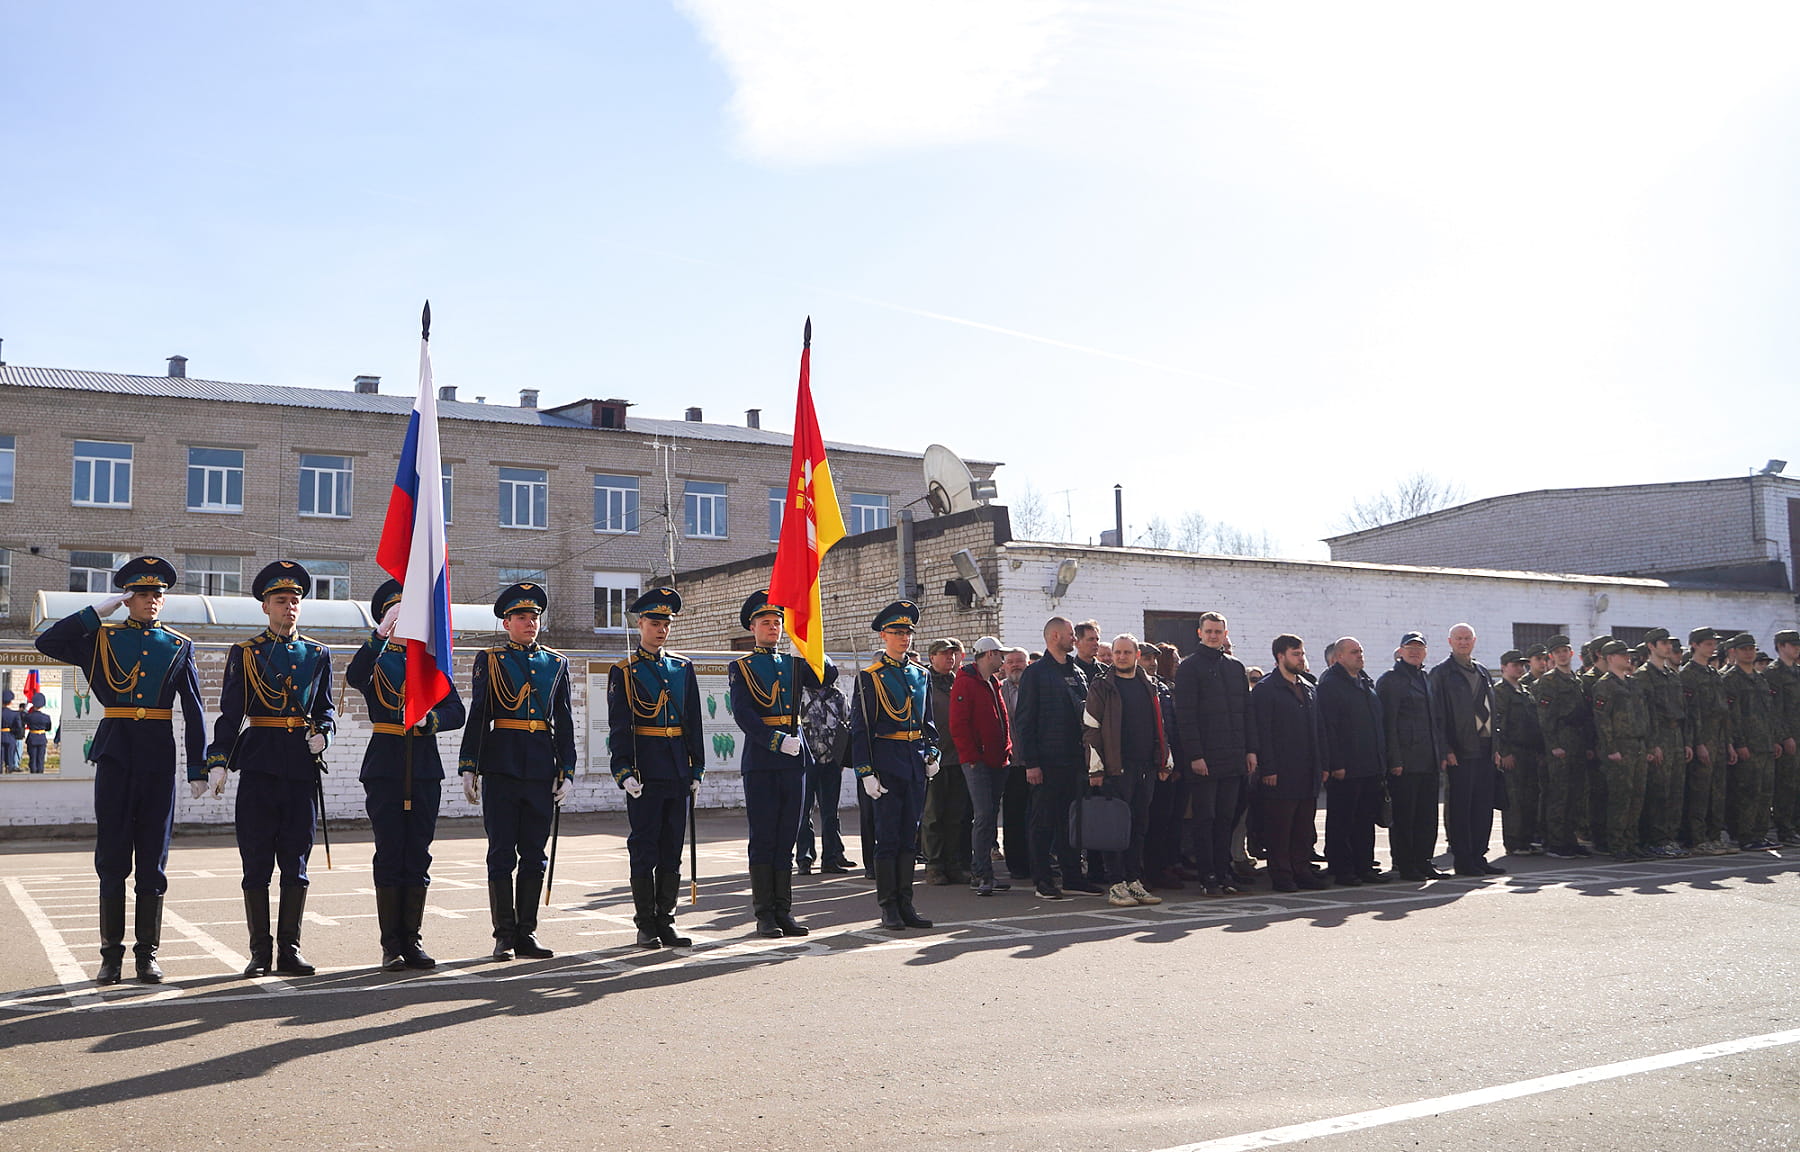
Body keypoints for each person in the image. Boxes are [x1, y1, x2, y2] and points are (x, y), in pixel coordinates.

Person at [34, 556, 208, 985]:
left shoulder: (179, 645)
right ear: (128, 598)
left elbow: (195, 710)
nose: (152, 601)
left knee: (154, 860)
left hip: (157, 758)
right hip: (115, 754)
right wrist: (96, 613)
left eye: (157, 594)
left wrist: (199, 767)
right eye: (143, 594)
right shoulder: (101, 639)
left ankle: (147, 955)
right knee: (112, 859)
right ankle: (110, 955)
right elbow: (47, 644)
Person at [207, 561, 336, 978]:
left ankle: (290, 951)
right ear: (265, 606)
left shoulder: (318, 654)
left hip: (301, 768)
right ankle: (260, 952)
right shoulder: (246, 654)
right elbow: (231, 714)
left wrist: (325, 735)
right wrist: (219, 761)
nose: (290, 608)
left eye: (295, 601)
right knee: (257, 864)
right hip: (260, 765)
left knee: (296, 865)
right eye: (281, 601)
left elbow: (326, 710)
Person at [345, 579, 466, 971]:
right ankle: (391, 944)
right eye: (395, 613)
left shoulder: (429, 662)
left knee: (418, 854)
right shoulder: (377, 659)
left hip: (425, 766)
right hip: (385, 765)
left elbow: (456, 711)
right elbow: (355, 676)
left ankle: (412, 940)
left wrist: (430, 720)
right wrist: (379, 636)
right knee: (390, 852)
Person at [461, 581, 578, 960]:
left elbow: (564, 719)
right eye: (522, 617)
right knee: (501, 853)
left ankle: (527, 932)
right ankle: (503, 934)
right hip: (502, 765)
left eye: (535, 617)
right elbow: (479, 714)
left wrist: (567, 769)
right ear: (507, 622)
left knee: (534, 853)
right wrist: (470, 765)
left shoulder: (556, 663)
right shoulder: (491, 660)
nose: (530, 623)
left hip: (541, 766)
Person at [603, 586, 703, 948]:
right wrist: (623, 771)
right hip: (645, 771)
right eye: (655, 622)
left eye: (666, 623)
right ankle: (646, 923)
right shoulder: (624, 671)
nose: (661, 630)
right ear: (640, 623)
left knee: (672, 850)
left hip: (677, 768)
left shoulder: (682, 667)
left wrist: (697, 769)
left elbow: (693, 721)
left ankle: (667, 918)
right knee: (644, 849)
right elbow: (619, 726)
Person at [728, 589, 819, 938]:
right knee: (764, 838)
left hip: (795, 760)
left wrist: (812, 641)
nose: (773, 628)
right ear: (752, 627)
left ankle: (784, 911)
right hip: (763, 760)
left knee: (787, 839)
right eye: (766, 622)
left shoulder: (794, 665)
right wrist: (777, 740)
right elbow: (744, 715)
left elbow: (826, 677)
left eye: (777, 622)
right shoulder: (743, 667)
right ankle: (764, 913)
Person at [849, 600, 938, 930]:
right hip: (886, 763)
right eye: (897, 632)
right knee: (887, 838)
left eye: (908, 632)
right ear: (884, 635)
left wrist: (933, 754)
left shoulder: (921, 675)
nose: (904, 638)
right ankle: (888, 905)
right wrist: (865, 771)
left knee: (908, 838)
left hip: (914, 763)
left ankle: (906, 903)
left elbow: (928, 723)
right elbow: (861, 728)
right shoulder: (871, 677)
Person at [1080, 634, 1168, 906]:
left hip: (1145, 769)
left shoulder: (1148, 684)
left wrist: (1164, 761)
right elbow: (1090, 729)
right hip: (1115, 770)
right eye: (1117, 652)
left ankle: (1133, 880)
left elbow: (1160, 725)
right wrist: (1096, 769)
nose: (1120, 656)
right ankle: (1116, 884)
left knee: (1138, 827)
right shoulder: (1102, 686)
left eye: (1126, 652)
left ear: (1136, 655)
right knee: (1115, 828)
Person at [1014, 616, 1097, 899]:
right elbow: (1024, 721)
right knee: (1043, 822)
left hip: (1075, 760)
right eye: (1071, 634)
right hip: (1047, 762)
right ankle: (1043, 880)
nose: (1074, 639)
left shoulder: (1078, 672)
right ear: (1054, 637)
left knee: (1071, 821)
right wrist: (1032, 763)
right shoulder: (1035, 673)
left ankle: (1073, 877)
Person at [1175, 611, 1254, 896]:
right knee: (1205, 819)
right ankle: (1207, 875)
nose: (1213, 636)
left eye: (1218, 631)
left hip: (1233, 759)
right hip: (1205, 761)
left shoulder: (1235, 668)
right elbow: (1185, 716)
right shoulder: (1189, 668)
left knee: (1226, 819)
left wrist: (1251, 750)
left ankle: (1224, 872)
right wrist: (1195, 755)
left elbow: (1246, 713)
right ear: (1200, 633)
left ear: (1225, 634)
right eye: (1208, 631)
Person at [1249, 635, 1328, 892]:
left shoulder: (1308, 687)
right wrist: (1268, 768)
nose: (1301, 658)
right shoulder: (1266, 689)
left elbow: (1319, 729)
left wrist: (1322, 763)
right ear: (1280, 657)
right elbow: (1262, 732)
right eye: (1296, 654)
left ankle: (1301, 870)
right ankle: (1282, 875)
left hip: (1308, 770)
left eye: (1302, 653)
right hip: (1281, 772)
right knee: (1280, 828)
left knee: (1304, 827)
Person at [1427, 623, 1504, 876]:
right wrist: (1446, 748)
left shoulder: (1482, 671)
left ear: (1474, 640)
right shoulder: (1441, 673)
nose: (1463, 642)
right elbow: (1436, 716)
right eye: (1459, 638)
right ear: (1450, 641)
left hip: (1485, 749)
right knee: (1461, 807)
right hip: (1460, 751)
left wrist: (1496, 747)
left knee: (1483, 806)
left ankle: (1478, 856)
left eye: (1467, 638)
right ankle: (1463, 859)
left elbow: (1492, 711)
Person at [1316, 636, 1389, 884]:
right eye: (1354, 651)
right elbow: (1329, 728)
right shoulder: (1330, 685)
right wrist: (1335, 763)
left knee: (1365, 820)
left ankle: (1364, 866)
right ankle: (1342, 869)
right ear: (1339, 657)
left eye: (1361, 650)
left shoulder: (1365, 682)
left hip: (1369, 765)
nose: (1360, 655)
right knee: (1342, 821)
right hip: (1345, 768)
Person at [1377, 632, 1447, 880]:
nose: (1415, 651)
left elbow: (1435, 721)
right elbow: (1388, 724)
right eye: (1410, 647)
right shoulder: (1391, 680)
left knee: (1426, 817)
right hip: (1404, 762)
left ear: (1426, 652)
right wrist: (1394, 760)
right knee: (1405, 817)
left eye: (1419, 647)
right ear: (1400, 651)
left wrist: (1440, 753)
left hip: (1427, 760)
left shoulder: (1426, 679)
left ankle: (1423, 861)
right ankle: (1405, 864)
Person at [949, 635, 1012, 896]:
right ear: (988, 655)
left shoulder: (992, 682)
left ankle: (984, 871)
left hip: (997, 760)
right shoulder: (966, 684)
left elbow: (1001, 719)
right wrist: (972, 757)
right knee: (984, 815)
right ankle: (981, 873)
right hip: (979, 762)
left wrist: (1006, 749)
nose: (1003, 659)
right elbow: (959, 726)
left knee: (988, 816)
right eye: (999, 654)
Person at [1590, 639, 1653, 861]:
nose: (1628, 658)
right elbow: (1602, 721)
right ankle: (1617, 844)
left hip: (1637, 744)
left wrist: (1648, 744)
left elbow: (1645, 715)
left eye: (1628, 654)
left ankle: (1632, 842)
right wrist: (1611, 748)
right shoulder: (1604, 685)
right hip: (1620, 746)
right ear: (1609, 658)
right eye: (1622, 654)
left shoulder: (1634, 683)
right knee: (1620, 797)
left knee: (1637, 796)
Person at [1532, 636, 1595, 858]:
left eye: (1565, 650)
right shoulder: (1549, 681)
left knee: (1576, 795)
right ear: (1552, 656)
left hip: (1576, 741)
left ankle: (1570, 838)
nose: (1561, 654)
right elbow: (1545, 717)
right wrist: (1554, 745)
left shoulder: (1575, 679)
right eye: (1556, 651)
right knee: (1559, 794)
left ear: (1570, 653)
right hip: (1561, 741)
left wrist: (1586, 744)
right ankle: (1556, 842)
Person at [1631, 628, 1689, 858]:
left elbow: (1683, 711)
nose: (1668, 647)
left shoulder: (1673, 675)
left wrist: (1686, 741)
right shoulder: (1642, 676)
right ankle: (1655, 839)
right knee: (1659, 791)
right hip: (1658, 737)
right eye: (1663, 643)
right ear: (1651, 646)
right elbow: (1642, 713)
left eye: (1669, 643)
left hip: (1675, 736)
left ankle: (1669, 838)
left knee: (1676, 790)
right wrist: (1651, 743)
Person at [1722, 632, 1782, 851]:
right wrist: (1739, 743)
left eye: (1752, 649)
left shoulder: (1760, 679)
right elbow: (1731, 716)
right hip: (1748, 744)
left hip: (1765, 744)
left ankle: (1759, 833)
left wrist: (1774, 739)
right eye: (1744, 649)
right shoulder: (1731, 679)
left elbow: (1769, 713)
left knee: (1765, 792)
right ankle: (1745, 835)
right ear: (1735, 652)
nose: (1749, 653)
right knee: (1748, 791)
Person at [1679, 627, 1736, 855]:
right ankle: (1697, 838)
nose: (1713, 647)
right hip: (1702, 739)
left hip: (1719, 740)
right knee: (1699, 792)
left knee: (1718, 791)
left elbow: (1724, 713)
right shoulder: (1687, 674)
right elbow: (1690, 714)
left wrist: (1729, 743)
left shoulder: (1714, 674)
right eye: (1708, 644)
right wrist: (1698, 743)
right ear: (1695, 645)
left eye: (1714, 644)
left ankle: (1714, 836)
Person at [921, 638, 972, 886]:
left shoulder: (959, 682)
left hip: (958, 756)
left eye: (953, 654)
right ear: (932, 657)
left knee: (955, 814)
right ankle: (934, 865)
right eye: (943, 654)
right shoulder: (923, 682)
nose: (949, 658)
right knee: (933, 815)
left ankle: (953, 864)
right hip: (934, 757)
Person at [796, 660, 855, 875]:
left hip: (831, 762)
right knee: (804, 812)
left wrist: (842, 757)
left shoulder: (838, 696)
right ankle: (804, 857)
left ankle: (831, 858)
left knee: (830, 812)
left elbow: (847, 723)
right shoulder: (798, 695)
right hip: (805, 761)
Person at [1143, 643, 1189, 890]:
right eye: (1147, 658)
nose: (1152, 663)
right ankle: (1148, 870)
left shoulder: (1162, 687)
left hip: (1168, 764)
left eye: (1154, 658)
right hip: (1147, 767)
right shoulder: (1131, 687)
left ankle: (1164, 866)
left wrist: (1174, 762)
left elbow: (1171, 727)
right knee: (1149, 823)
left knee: (1165, 820)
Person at [1492, 649, 1544, 857]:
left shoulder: (1525, 690)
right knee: (1514, 799)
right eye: (1514, 665)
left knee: (1530, 796)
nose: (1519, 668)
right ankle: (1514, 841)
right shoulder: (1499, 691)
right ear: (1504, 667)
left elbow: (1533, 723)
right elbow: (1497, 724)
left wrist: (1539, 750)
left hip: (1529, 751)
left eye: (1521, 665)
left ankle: (1527, 838)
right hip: (1512, 751)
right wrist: (1503, 753)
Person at [999, 647, 1034, 881]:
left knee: (1036, 815)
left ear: (1027, 663)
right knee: (1013, 815)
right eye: (1010, 662)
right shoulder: (999, 689)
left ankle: (1037, 860)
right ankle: (1016, 864)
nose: (1015, 666)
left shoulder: (1036, 687)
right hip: (1010, 764)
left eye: (1019, 661)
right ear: (1004, 665)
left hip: (1035, 761)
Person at [1768, 629, 1800, 845]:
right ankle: (1785, 829)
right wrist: (1784, 736)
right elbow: (1773, 710)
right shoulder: (1773, 673)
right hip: (1788, 735)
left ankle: (1796, 826)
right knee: (1786, 784)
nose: (1796, 648)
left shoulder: (1797, 672)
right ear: (1780, 646)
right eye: (1791, 644)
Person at [23, 698, 52, 772]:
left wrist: (26, 709)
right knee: (40, 759)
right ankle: (40, 774)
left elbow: (22, 718)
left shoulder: (29, 716)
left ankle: (33, 774)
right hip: (41, 738)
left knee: (33, 758)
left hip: (32, 737)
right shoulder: (46, 717)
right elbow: (48, 728)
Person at [1, 689, 21, 773]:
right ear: (10, 702)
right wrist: (14, 734)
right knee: (10, 756)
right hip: (10, 736)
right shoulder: (14, 714)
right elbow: (19, 727)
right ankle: (9, 768)